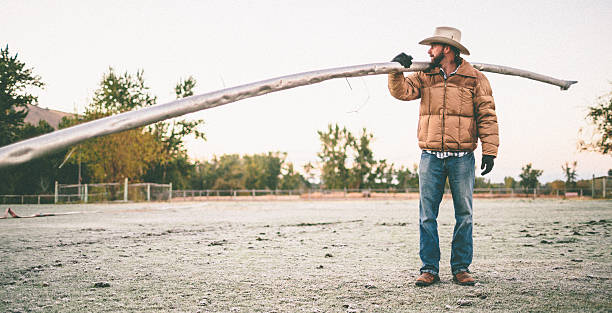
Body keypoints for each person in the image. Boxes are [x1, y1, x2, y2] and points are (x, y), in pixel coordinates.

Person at [388, 26, 499, 286]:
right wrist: (396, 70)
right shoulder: (424, 75)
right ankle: (429, 269)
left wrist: (490, 150)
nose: (428, 51)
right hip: (430, 157)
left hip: (462, 158)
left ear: (446, 49)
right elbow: (401, 91)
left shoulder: (475, 78)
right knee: (427, 215)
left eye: (433, 46)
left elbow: (487, 114)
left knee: (465, 215)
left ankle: (461, 268)